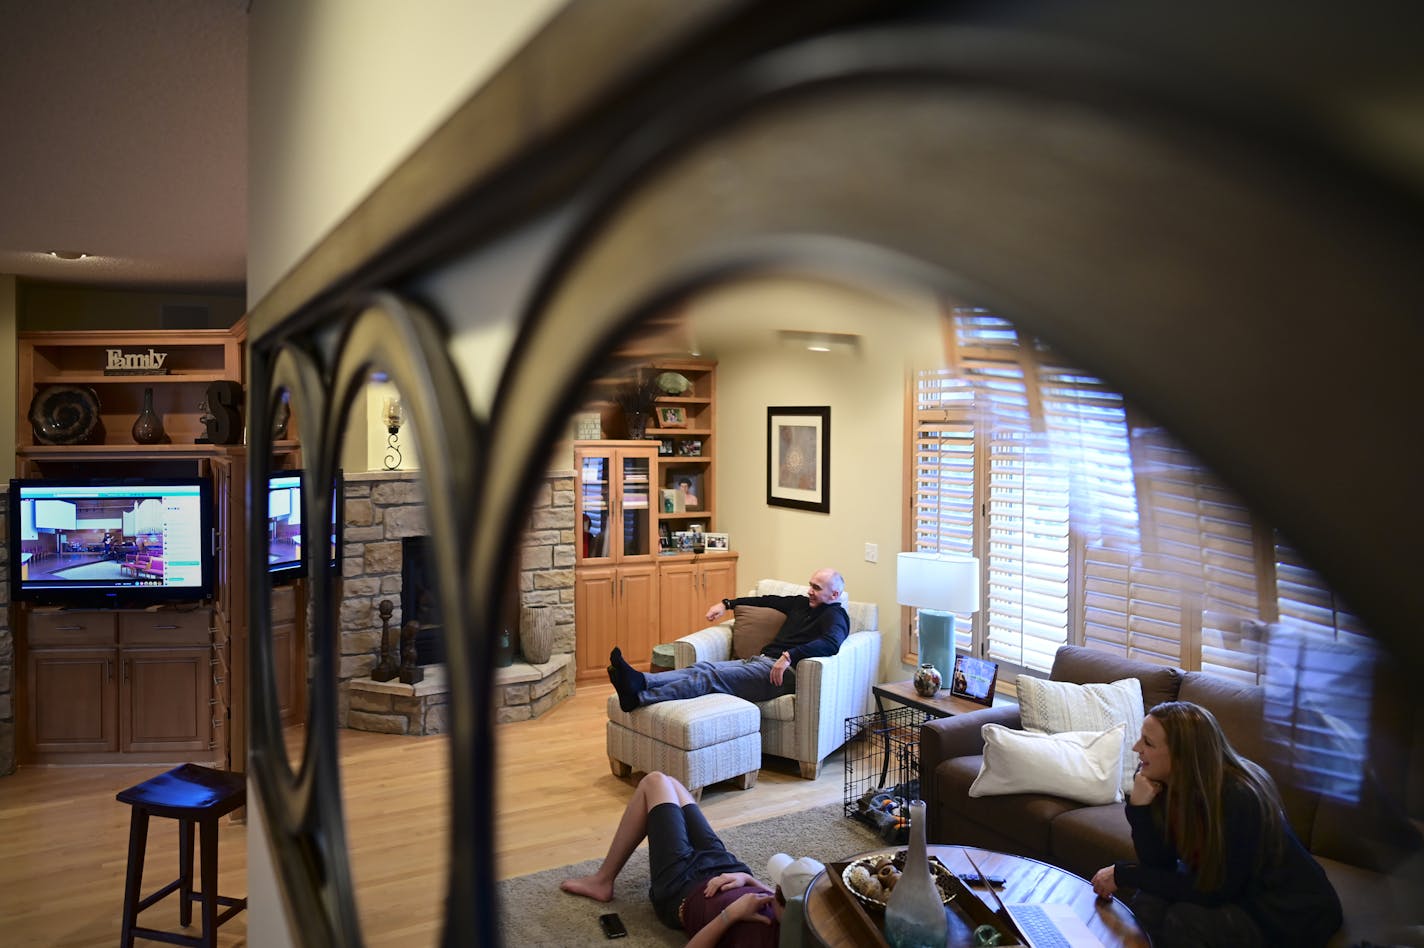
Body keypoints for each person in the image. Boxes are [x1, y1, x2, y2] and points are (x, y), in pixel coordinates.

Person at [1090, 701, 1342, 948]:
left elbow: (1215, 891)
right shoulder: (1162, 781)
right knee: (1149, 902)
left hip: (1284, 909)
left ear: (1182, 755)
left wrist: (1125, 873)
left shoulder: (1239, 797)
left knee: (1186, 920)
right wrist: (1140, 809)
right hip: (1230, 889)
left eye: (1148, 742)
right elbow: (1160, 864)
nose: (1136, 748)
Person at [561, 771, 782, 946]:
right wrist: (751, 881)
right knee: (673, 784)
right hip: (729, 870)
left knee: (654, 782)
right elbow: (780, 899)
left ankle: (602, 881)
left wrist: (730, 915)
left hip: (682, 888)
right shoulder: (809, 919)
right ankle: (602, 879)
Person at [607, 568, 848, 712]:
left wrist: (789, 656)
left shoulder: (834, 615)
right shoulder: (801, 603)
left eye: (816, 588)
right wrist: (726, 604)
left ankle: (638, 698)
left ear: (834, 594)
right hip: (760, 662)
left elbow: (831, 643)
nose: (810, 591)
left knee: (709, 677)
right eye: (810, 585)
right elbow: (764, 600)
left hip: (780, 675)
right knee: (704, 667)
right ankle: (641, 680)